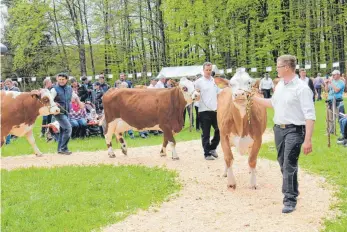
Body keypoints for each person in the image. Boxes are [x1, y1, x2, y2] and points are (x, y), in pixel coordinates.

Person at [252, 55, 315, 214]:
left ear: (287, 67)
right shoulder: (279, 85)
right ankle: (293, 190)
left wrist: (308, 140)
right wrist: (253, 98)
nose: (276, 69)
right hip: (279, 129)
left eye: (278, 66)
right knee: (283, 163)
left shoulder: (301, 88)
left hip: (295, 130)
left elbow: (310, 115)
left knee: (288, 164)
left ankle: (289, 200)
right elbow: (272, 103)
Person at [194, 62, 220, 160]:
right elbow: (194, 95)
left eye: (210, 70)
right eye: (207, 70)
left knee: (219, 130)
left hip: (215, 110)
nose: (208, 72)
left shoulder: (214, 81)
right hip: (203, 111)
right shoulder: (198, 82)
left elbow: (219, 93)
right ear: (203, 70)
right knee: (206, 134)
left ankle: (212, 148)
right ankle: (207, 154)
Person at [51, 73, 74, 155]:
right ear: (57, 79)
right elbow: (49, 100)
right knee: (68, 128)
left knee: (63, 130)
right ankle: (64, 148)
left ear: (66, 80)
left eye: (63, 79)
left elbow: (73, 98)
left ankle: (60, 149)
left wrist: (80, 103)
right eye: (59, 79)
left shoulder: (69, 89)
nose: (61, 81)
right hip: (58, 112)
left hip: (66, 112)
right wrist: (54, 103)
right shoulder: (54, 89)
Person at [324, 70, 345, 134]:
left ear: (338, 75)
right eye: (332, 75)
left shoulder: (341, 82)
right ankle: (331, 131)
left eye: (334, 75)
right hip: (330, 101)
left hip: (338, 101)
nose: (332, 76)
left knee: (340, 117)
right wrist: (326, 84)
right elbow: (326, 90)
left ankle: (343, 132)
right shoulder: (332, 81)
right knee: (329, 117)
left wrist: (331, 82)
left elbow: (336, 90)